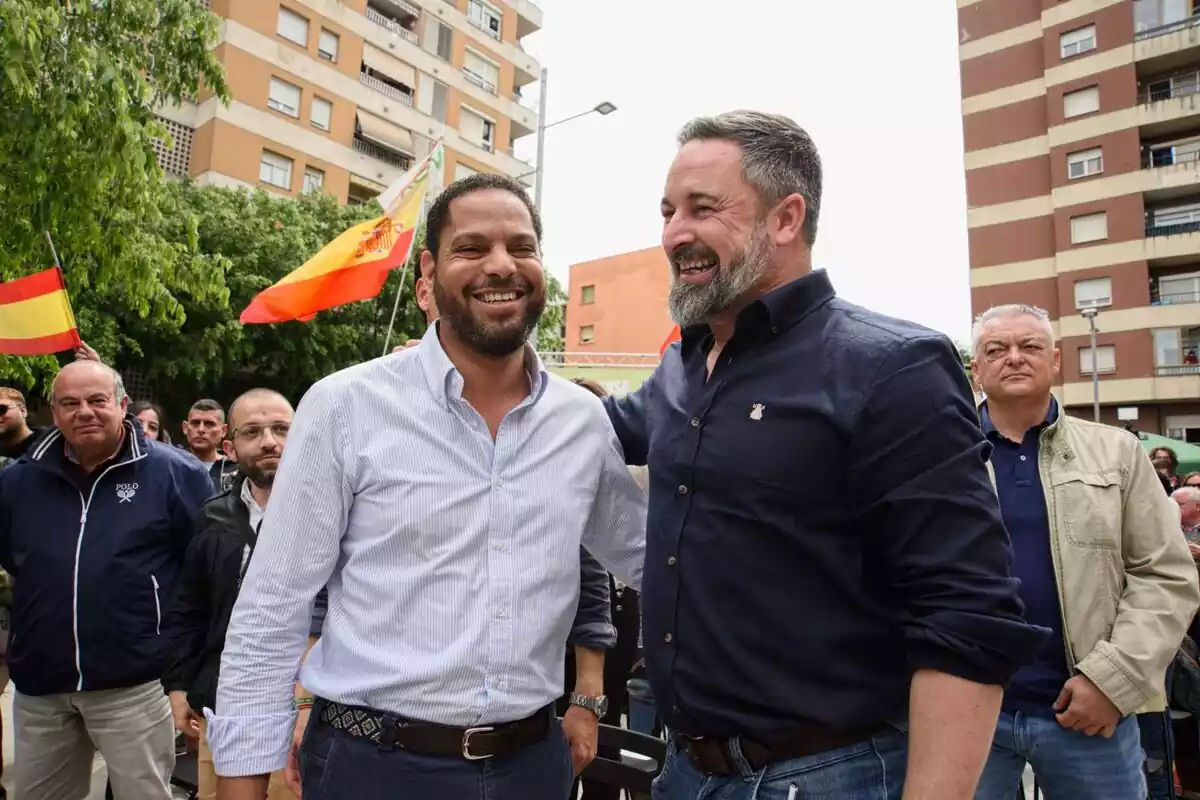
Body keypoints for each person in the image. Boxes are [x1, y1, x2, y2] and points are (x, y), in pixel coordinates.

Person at [602, 110, 1046, 799]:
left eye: (701, 208)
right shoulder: (681, 367)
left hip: (825, 777)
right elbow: (578, 436)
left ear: (786, 218)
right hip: (684, 774)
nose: (673, 233)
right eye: (666, 211)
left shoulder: (892, 366)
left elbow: (966, 611)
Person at [205, 173, 647, 800]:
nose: (501, 266)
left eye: (521, 247)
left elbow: (652, 557)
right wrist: (244, 785)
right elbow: (270, 612)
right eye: (472, 248)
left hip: (533, 768)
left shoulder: (580, 421)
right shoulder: (343, 407)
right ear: (430, 270)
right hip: (374, 767)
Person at [969, 303, 1199, 799]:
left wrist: (1114, 680)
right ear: (976, 369)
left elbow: (1166, 574)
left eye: (1030, 346)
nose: (1014, 358)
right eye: (996, 349)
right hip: (965, 713)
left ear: (1055, 361)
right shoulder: (938, 453)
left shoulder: (1118, 452)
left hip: (1088, 712)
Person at [0, 360, 213, 800]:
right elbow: (16, 559)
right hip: (41, 685)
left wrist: (184, 668)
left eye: (97, 401)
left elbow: (201, 571)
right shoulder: (17, 482)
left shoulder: (176, 473)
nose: (85, 412)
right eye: (70, 403)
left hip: (135, 682)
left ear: (122, 405)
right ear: (53, 413)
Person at [163, 389, 326, 800]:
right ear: (230, 447)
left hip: (310, 708)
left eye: (281, 429)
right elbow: (191, 609)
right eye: (252, 431)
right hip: (227, 704)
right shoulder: (214, 515)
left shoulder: (335, 514)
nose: (269, 440)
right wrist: (180, 687)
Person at [184, 399, 237, 493]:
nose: (201, 429)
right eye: (195, 423)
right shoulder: (173, 465)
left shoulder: (235, 469)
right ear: (185, 428)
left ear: (224, 431)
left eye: (209, 424)